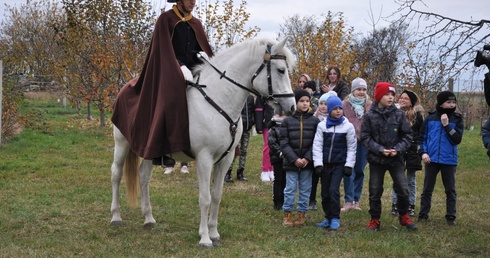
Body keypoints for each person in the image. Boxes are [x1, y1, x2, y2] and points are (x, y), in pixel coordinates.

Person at [111, 0, 213, 167]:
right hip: (168, 71)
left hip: (194, 73)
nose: (193, 2)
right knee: (168, 99)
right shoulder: (166, 19)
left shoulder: (196, 23)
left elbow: (201, 49)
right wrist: (180, 66)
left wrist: (206, 58)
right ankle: (161, 150)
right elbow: (162, 50)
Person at [361, 82, 417, 231]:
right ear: (379, 96)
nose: (391, 97)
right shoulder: (369, 116)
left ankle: (404, 215)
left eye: (392, 94)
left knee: (403, 189)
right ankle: (374, 220)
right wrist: (379, 149)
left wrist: (397, 149)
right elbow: (365, 137)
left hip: (396, 159)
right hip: (376, 160)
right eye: (387, 94)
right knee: (374, 190)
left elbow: (407, 135)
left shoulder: (399, 115)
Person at [418, 91, 464, 226]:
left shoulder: (457, 119)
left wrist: (446, 125)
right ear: (441, 103)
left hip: (448, 160)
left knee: (450, 189)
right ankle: (423, 214)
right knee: (427, 189)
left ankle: (451, 216)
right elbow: (421, 138)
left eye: (454, 102)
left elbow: (457, 139)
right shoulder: (430, 118)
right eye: (449, 102)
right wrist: (423, 152)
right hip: (431, 160)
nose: (452, 105)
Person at [313, 96, 356, 230]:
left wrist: (349, 165)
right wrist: (318, 164)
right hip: (325, 164)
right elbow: (317, 145)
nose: (338, 111)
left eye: (340, 109)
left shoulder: (348, 127)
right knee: (325, 193)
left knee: (333, 190)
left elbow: (352, 147)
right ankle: (328, 217)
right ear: (330, 109)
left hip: (339, 164)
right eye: (335, 109)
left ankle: (335, 217)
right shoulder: (322, 126)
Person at [280, 89, 320, 227]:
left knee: (305, 188)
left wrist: (307, 159)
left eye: (307, 101)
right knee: (290, 188)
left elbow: (317, 142)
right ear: (296, 102)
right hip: (291, 162)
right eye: (301, 101)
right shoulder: (287, 121)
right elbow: (284, 142)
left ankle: (302, 214)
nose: (304, 104)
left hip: (307, 163)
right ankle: (288, 214)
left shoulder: (315, 122)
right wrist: (294, 159)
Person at [390, 90, 424, 217]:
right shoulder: (394, 113)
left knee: (410, 179)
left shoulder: (417, 116)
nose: (402, 100)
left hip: (412, 151)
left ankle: (410, 205)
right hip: (397, 149)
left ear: (412, 102)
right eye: (401, 98)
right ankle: (395, 204)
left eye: (406, 98)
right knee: (397, 179)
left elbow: (421, 134)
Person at [341, 78, 372, 212]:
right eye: (359, 89)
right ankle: (348, 200)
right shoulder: (344, 105)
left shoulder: (370, 105)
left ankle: (356, 200)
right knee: (349, 170)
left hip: (363, 142)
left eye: (364, 90)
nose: (361, 92)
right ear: (353, 90)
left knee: (360, 170)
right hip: (348, 142)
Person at [309, 91, 337, 211]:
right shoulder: (313, 118)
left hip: (329, 153)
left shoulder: (335, 119)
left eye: (326, 104)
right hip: (316, 152)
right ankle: (312, 199)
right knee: (314, 178)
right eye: (321, 103)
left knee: (327, 180)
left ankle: (328, 200)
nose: (323, 106)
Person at [225, 95, 255, 183]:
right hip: (237, 128)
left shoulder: (250, 98)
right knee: (235, 150)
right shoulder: (237, 96)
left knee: (244, 151)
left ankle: (240, 171)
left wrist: (252, 121)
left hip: (247, 128)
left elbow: (252, 111)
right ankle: (228, 172)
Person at [255, 97, 275, 182]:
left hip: (277, 122)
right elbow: (258, 110)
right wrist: (259, 126)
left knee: (275, 147)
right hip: (267, 124)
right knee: (268, 146)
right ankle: (265, 170)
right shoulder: (262, 95)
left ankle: (272, 169)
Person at [269, 114, 286, 210]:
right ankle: (277, 202)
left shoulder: (287, 128)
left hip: (287, 158)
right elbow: (272, 143)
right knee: (278, 179)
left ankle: (283, 200)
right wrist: (280, 153)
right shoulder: (273, 129)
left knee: (285, 179)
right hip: (277, 158)